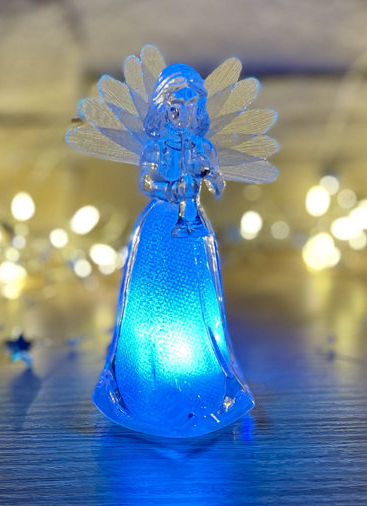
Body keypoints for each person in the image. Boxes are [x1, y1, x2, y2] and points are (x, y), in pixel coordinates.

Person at [93, 64, 255, 438]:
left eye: (191, 104)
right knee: (154, 293)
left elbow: (217, 183)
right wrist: (170, 191)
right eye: (176, 104)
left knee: (196, 296)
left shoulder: (202, 147)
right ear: (164, 108)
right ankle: (144, 383)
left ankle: (204, 384)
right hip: (161, 224)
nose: (184, 111)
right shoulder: (155, 148)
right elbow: (147, 181)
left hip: (192, 224)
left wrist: (211, 176)